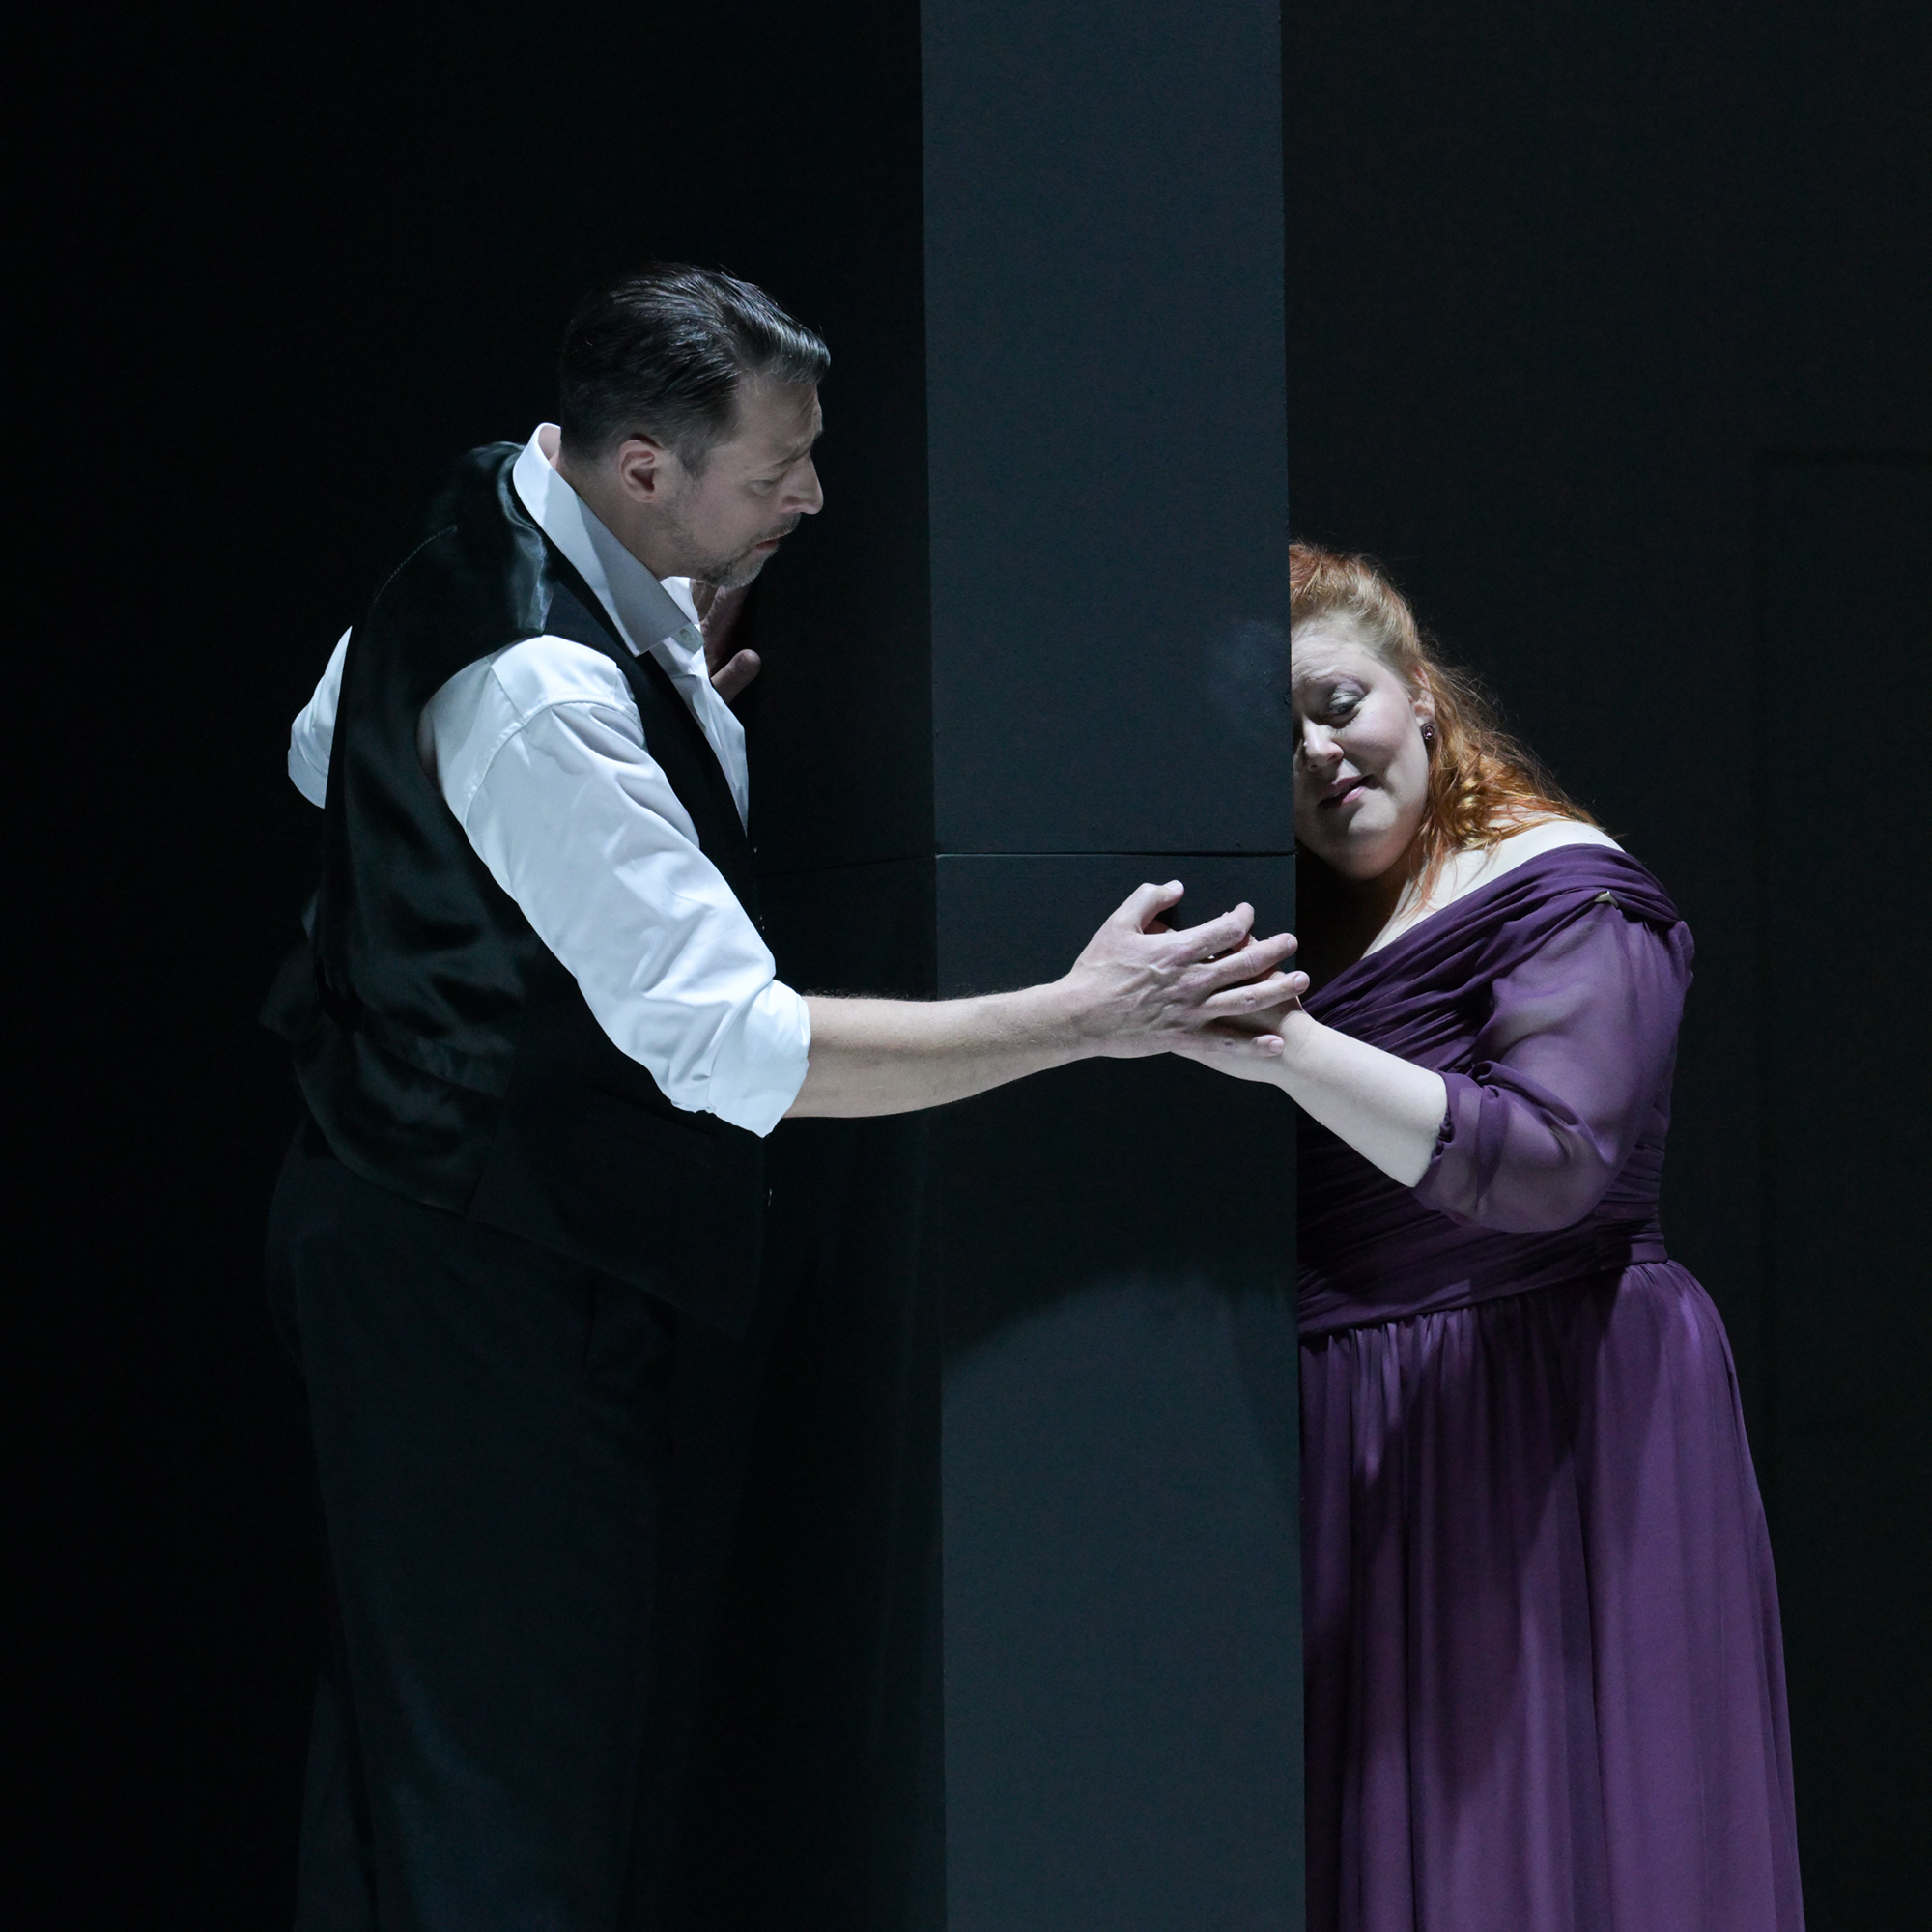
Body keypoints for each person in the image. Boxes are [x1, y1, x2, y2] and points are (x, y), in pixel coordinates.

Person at [263, 263, 1297, 1929]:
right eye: (777, 467)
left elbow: (326, 746)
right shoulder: (542, 690)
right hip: (476, 1264)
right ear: (644, 467)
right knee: (503, 1780)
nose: (813, 496)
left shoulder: (495, 503)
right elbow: (735, 1050)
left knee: (422, 1754)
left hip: (408, 1221)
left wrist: (657, 708)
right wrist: (1087, 1017)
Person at [1180, 544, 1804, 1930]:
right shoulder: (1313, 915)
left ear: (1421, 692)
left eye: (1340, 703)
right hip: (1366, 1422)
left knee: (1552, 1842)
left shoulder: (1561, 885)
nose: (1318, 752)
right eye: (1277, 735)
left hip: (1550, 1402)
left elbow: (1548, 1164)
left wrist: (1282, 1046)